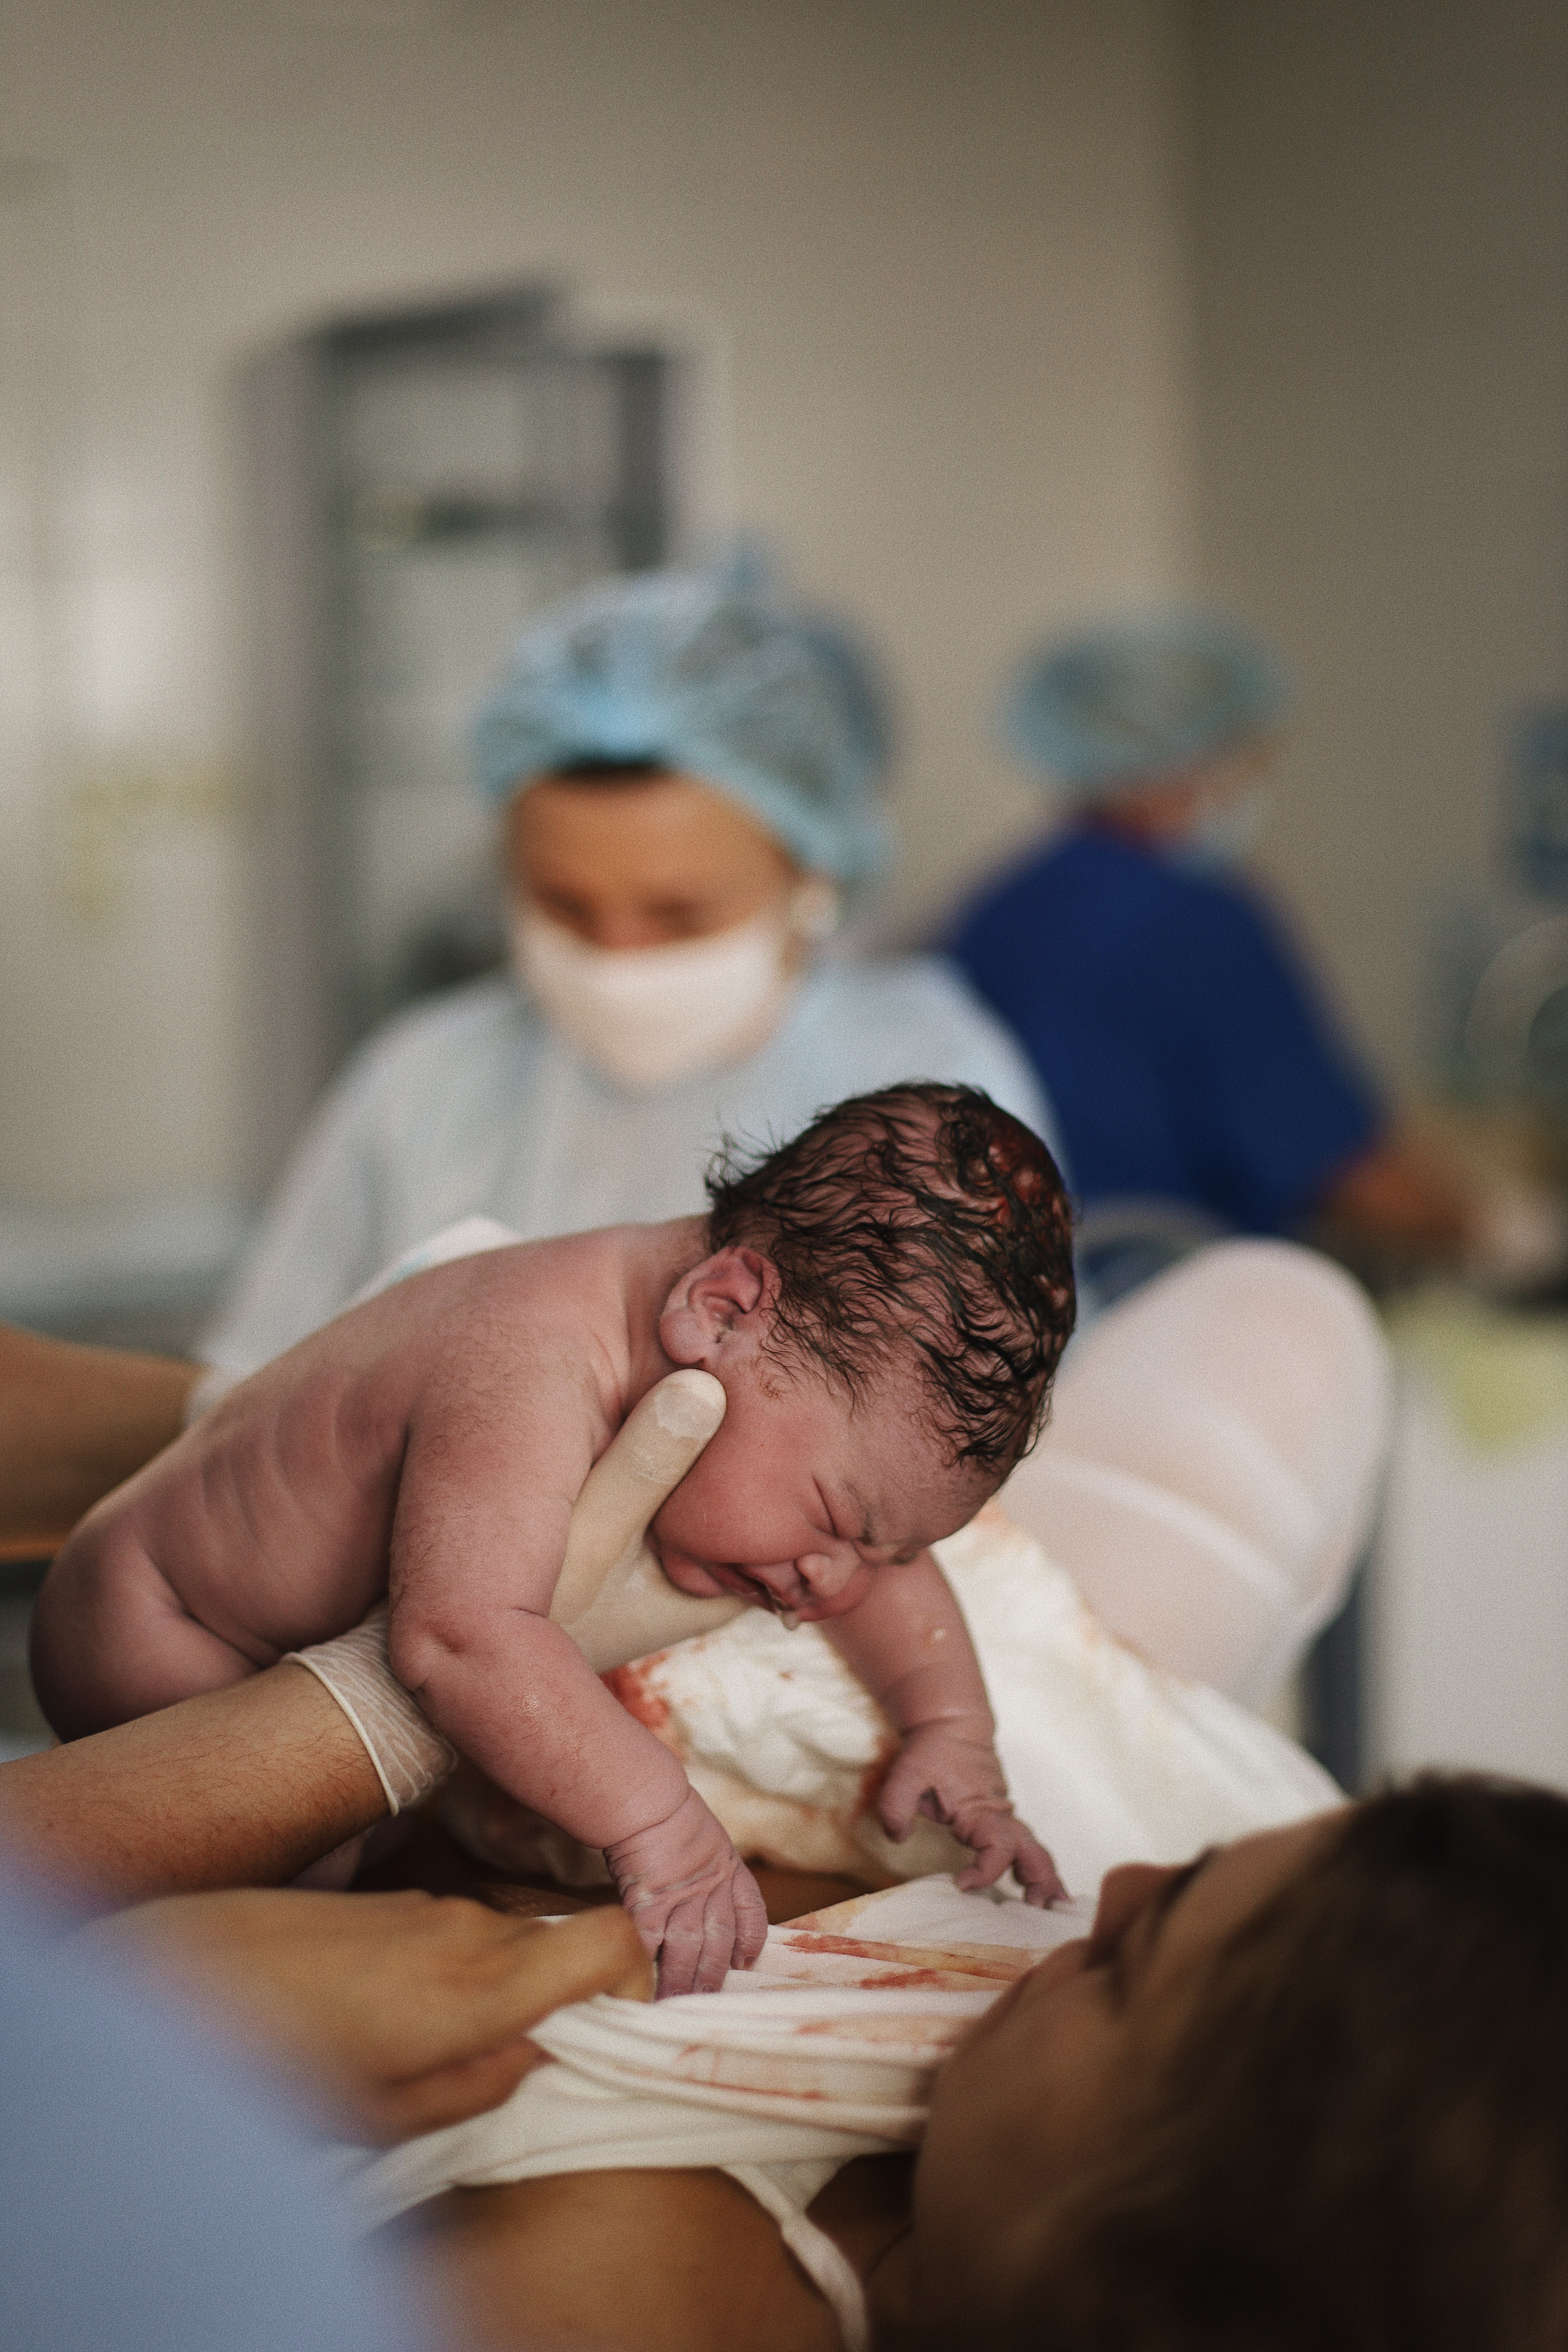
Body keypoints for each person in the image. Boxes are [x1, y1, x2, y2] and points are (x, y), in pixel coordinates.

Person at [32, 1086, 1076, 1989]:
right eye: (839, 1526)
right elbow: (459, 1639)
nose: (835, 1582)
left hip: (262, 1619)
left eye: (882, 1548)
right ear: (720, 1311)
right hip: (164, 1624)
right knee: (305, 1903)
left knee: (395, 1843)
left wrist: (951, 1732)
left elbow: (886, 1556)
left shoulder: (764, 1371)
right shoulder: (533, 1359)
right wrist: (661, 1828)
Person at [204, 567, 1057, 1383]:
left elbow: (981, 1430)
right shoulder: (422, 1084)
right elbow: (251, 1395)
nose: (618, 958)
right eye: (564, 907)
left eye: (681, 916)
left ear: (814, 878)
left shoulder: (929, 1090)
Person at [948, 614, 1513, 1291]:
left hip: (1006, 1309)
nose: (1246, 784)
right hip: (1162, 1299)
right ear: (1179, 763)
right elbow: (1344, 1170)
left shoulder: (998, 907)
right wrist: (1491, 1229)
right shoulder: (1200, 921)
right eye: (1241, 758)